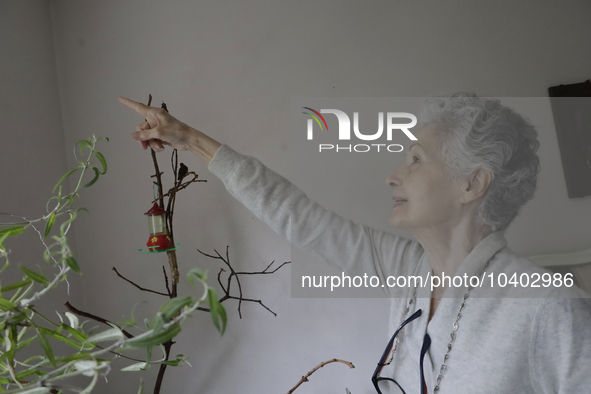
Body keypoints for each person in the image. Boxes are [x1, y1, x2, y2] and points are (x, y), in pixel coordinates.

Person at [119, 94, 591, 394]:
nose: (393, 175)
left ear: (472, 184)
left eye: (415, 160)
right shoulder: (409, 269)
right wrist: (189, 139)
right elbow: (296, 215)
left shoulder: (549, 306)